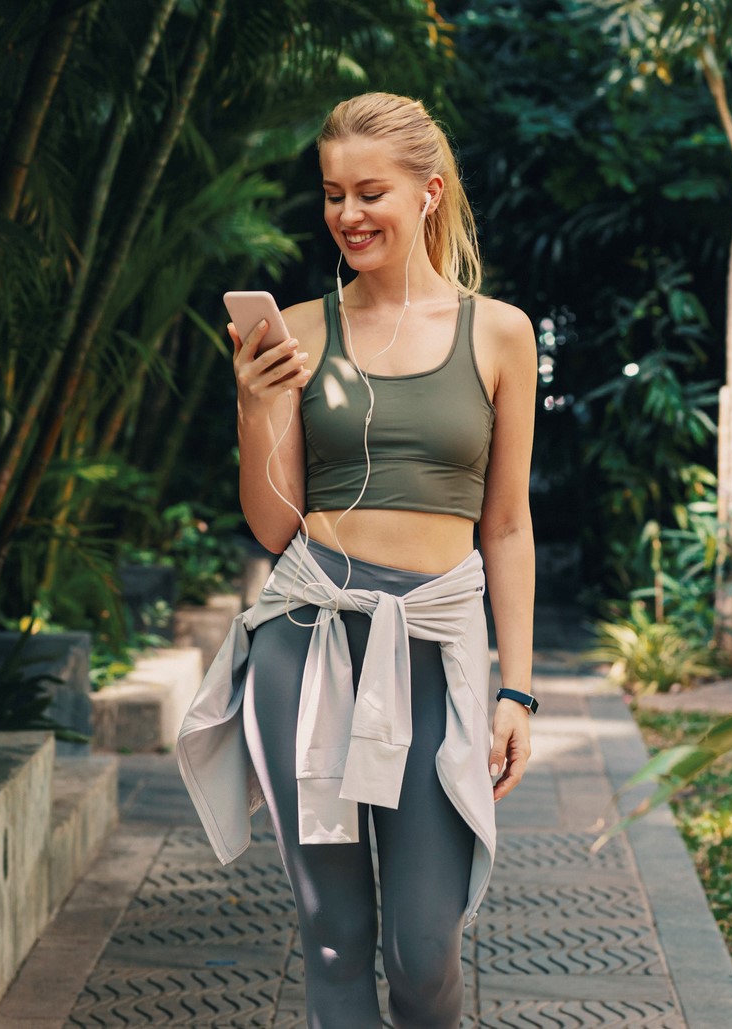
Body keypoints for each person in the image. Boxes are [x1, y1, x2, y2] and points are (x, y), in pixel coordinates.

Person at [176, 92, 539, 1027]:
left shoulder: (500, 332)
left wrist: (517, 689)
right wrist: (255, 404)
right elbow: (273, 526)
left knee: (424, 950)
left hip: (435, 644)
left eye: (370, 192)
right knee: (334, 936)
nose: (348, 215)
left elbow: (505, 525)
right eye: (334, 194)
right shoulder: (298, 331)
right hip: (307, 640)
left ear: (429, 191)